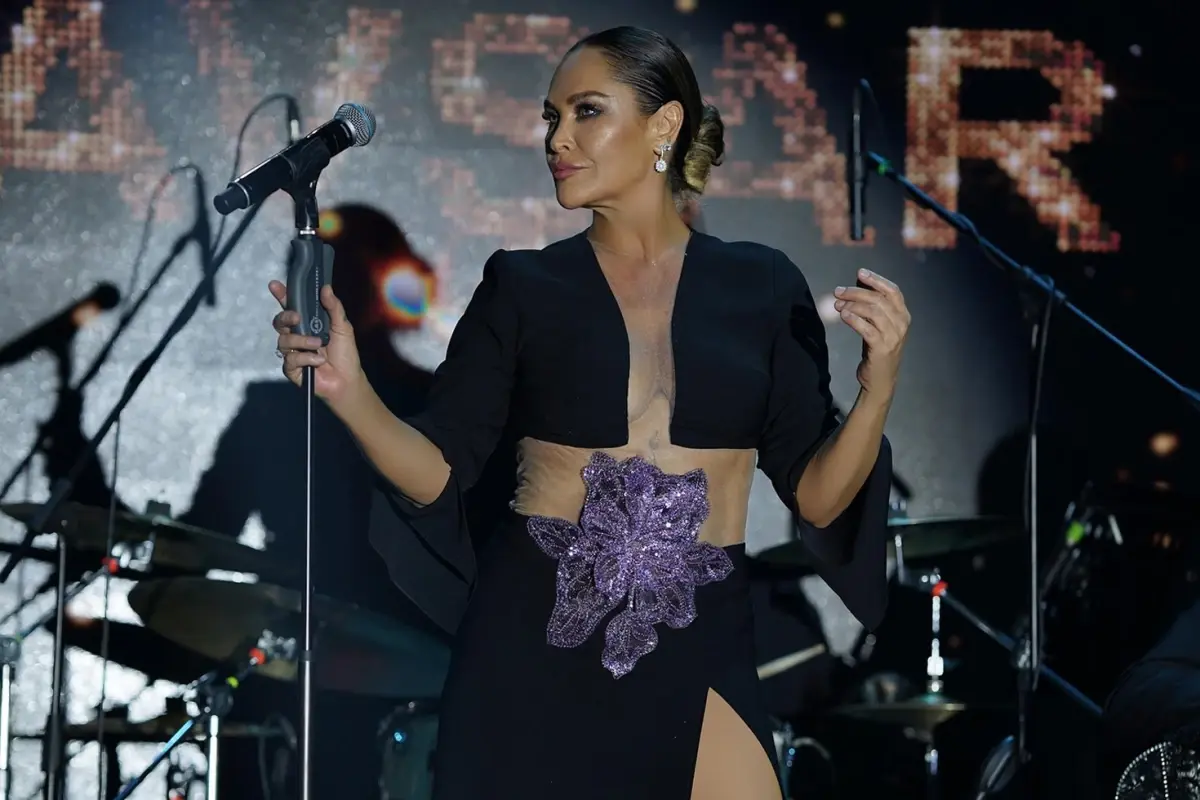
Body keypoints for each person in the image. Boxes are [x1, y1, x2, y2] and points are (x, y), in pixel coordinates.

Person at [268, 27, 908, 799]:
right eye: (551, 117)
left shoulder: (764, 286)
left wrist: (877, 389)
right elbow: (437, 470)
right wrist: (349, 391)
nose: (557, 138)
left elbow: (821, 498)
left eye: (586, 112)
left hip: (702, 637)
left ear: (664, 125)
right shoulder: (523, 286)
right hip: (534, 641)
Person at [187, 205, 449, 799]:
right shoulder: (275, 411)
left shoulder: (440, 404)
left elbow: (197, 538)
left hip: (390, 688)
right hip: (314, 675)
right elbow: (197, 539)